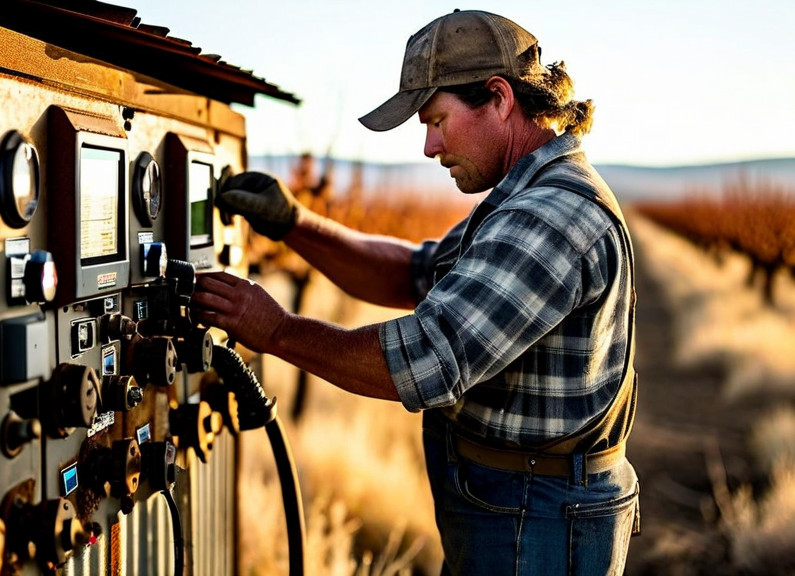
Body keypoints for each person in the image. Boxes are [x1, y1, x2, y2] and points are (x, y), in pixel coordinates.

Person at [193, 9, 640, 576]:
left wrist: (275, 330)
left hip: (538, 523)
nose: (429, 147)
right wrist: (293, 223)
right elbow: (411, 272)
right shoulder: (521, 198)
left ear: (499, 98)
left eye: (437, 120)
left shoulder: (550, 216)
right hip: (516, 509)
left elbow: (423, 361)